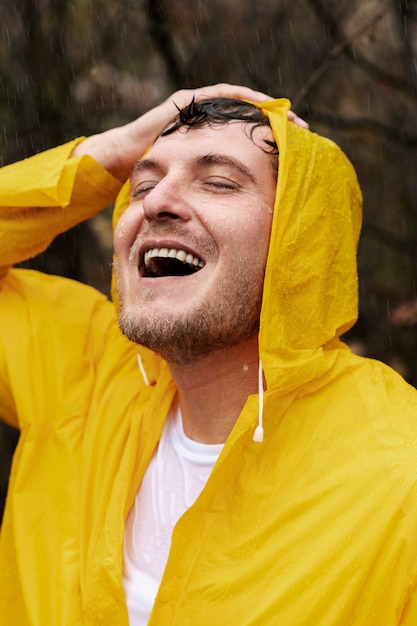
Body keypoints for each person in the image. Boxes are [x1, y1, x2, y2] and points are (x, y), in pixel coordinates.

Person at [1, 82, 417, 626]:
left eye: (218, 183)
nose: (156, 203)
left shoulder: (399, 479)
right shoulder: (86, 372)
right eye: (143, 183)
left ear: (302, 237)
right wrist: (110, 154)